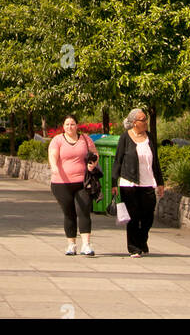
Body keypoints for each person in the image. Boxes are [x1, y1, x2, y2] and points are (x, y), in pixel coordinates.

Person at [111, 107, 165, 257]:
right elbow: (118, 161)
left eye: (146, 119)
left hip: (148, 182)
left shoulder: (150, 137)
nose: (146, 122)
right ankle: (134, 247)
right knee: (133, 217)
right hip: (129, 183)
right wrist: (114, 183)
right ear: (135, 123)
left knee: (148, 216)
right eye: (143, 120)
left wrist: (160, 182)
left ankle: (142, 240)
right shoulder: (125, 138)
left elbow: (156, 162)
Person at [48, 116, 99, 256]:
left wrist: (92, 163)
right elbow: (52, 155)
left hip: (83, 182)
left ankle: (86, 245)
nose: (70, 127)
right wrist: (54, 167)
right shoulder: (57, 140)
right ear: (63, 126)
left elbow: (95, 154)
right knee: (69, 213)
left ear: (77, 126)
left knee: (83, 210)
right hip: (61, 183)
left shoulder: (85, 139)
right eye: (67, 124)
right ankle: (71, 244)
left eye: (72, 124)